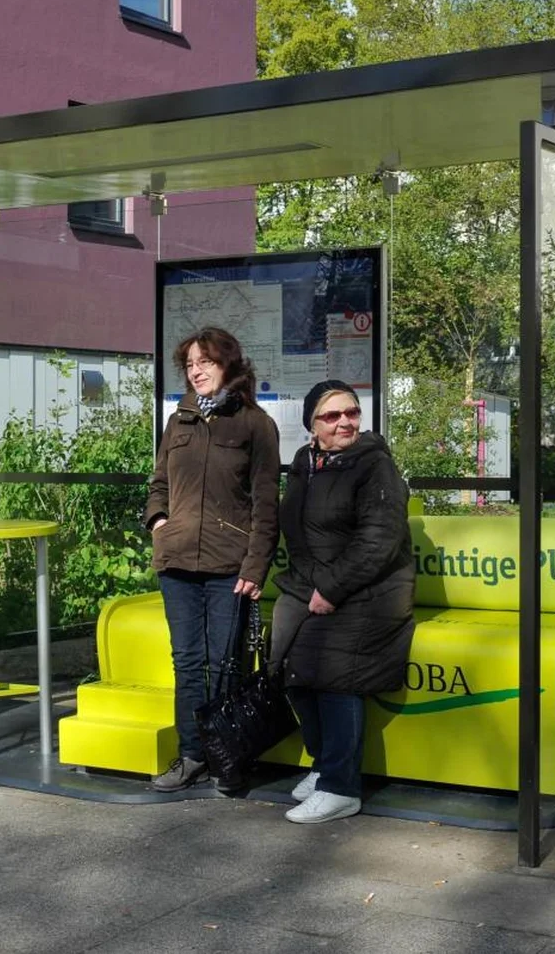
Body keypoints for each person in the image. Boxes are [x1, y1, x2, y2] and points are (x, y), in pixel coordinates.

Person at [271, 379, 415, 823]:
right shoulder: (305, 462)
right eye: (332, 416)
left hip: (371, 592)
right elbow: (300, 531)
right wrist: (310, 588)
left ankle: (341, 787)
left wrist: (331, 589)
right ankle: (323, 765)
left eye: (352, 412)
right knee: (292, 669)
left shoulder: (374, 465)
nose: (345, 422)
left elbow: (379, 540)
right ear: (312, 425)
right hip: (317, 586)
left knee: (333, 671)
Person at [144, 327, 280, 791]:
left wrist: (255, 567)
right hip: (177, 561)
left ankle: (229, 758)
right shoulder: (178, 420)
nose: (196, 371)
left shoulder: (255, 424)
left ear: (229, 365)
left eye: (206, 361)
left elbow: (266, 504)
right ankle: (192, 756)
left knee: (227, 665)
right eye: (190, 364)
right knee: (187, 663)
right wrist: (158, 521)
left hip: (230, 567)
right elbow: (159, 482)